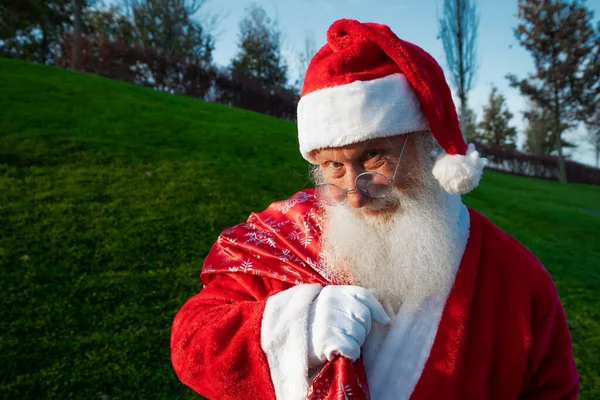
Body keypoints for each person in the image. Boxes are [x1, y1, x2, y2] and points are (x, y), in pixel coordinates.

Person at [170, 19, 579, 400]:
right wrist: (294, 327)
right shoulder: (287, 237)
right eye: (334, 166)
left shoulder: (520, 282)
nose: (354, 195)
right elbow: (191, 340)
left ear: (426, 146)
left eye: (373, 157)